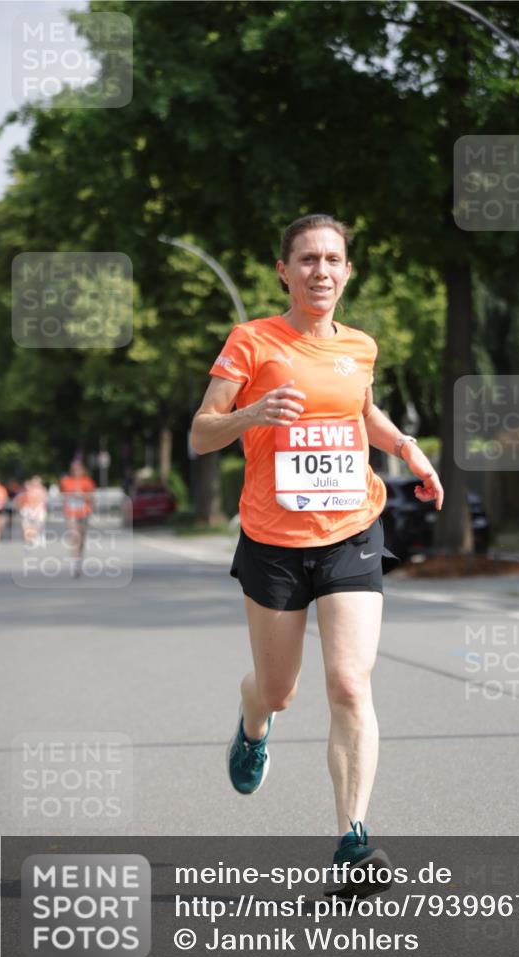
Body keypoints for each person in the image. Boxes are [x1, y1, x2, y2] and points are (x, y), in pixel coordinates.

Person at [190, 214, 443, 897]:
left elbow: (360, 409)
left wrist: (405, 448)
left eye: (332, 259)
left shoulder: (360, 345)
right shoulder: (250, 341)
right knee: (279, 689)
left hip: (351, 532)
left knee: (350, 684)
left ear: (348, 271)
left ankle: (353, 840)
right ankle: (252, 723)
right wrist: (252, 414)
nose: (321, 271)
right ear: (283, 269)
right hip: (273, 542)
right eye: (307, 259)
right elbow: (201, 432)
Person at [59, 460, 96, 577]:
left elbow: (92, 497)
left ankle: (79, 558)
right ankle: (75, 564)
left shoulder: (87, 481)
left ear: (82, 469)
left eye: (78, 469)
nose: (76, 471)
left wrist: (82, 495)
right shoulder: (66, 481)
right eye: (74, 469)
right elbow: (63, 497)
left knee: (82, 539)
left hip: (84, 513)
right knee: (75, 537)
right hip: (71, 513)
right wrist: (69, 496)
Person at [15, 476, 48, 548]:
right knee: (26, 526)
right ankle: (28, 540)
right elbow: (20, 501)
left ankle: (33, 538)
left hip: (39, 511)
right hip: (28, 510)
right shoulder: (27, 491)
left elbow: (43, 502)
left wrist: (37, 511)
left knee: (37, 525)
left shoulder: (42, 490)